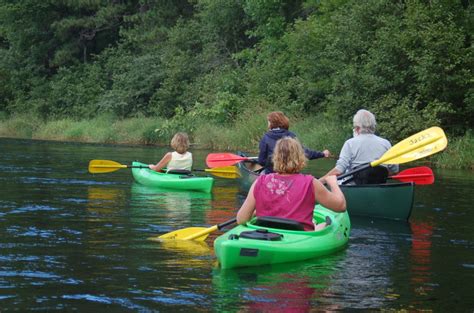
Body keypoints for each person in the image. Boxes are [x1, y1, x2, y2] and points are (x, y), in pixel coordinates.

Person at [237, 137, 346, 231]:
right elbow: (341, 207)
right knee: (324, 224)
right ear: (300, 158)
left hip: (266, 234)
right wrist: (333, 183)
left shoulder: (259, 181)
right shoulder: (311, 183)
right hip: (299, 237)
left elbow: (241, 219)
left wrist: (256, 212)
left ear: (275, 158)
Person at [319, 109, 398, 185]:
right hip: (379, 186)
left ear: (357, 128)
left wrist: (320, 181)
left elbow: (339, 171)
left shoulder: (350, 143)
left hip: (355, 187)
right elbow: (394, 170)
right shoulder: (386, 143)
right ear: (373, 126)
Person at [258, 111, 330, 173]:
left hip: (272, 174)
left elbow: (261, 161)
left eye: (268, 122)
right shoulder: (292, 136)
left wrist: (270, 163)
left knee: (263, 172)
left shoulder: (266, 137)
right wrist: (322, 154)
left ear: (271, 123)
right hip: (292, 173)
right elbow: (305, 153)